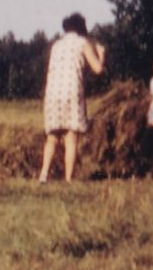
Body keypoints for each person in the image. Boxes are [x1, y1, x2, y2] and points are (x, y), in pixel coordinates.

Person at [39, 12, 105, 183]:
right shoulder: (82, 43)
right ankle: (68, 179)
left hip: (52, 93)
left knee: (52, 137)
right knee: (71, 137)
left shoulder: (56, 45)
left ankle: (44, 174)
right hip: (72, 92)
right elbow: (97, 69)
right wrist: (101, 54)